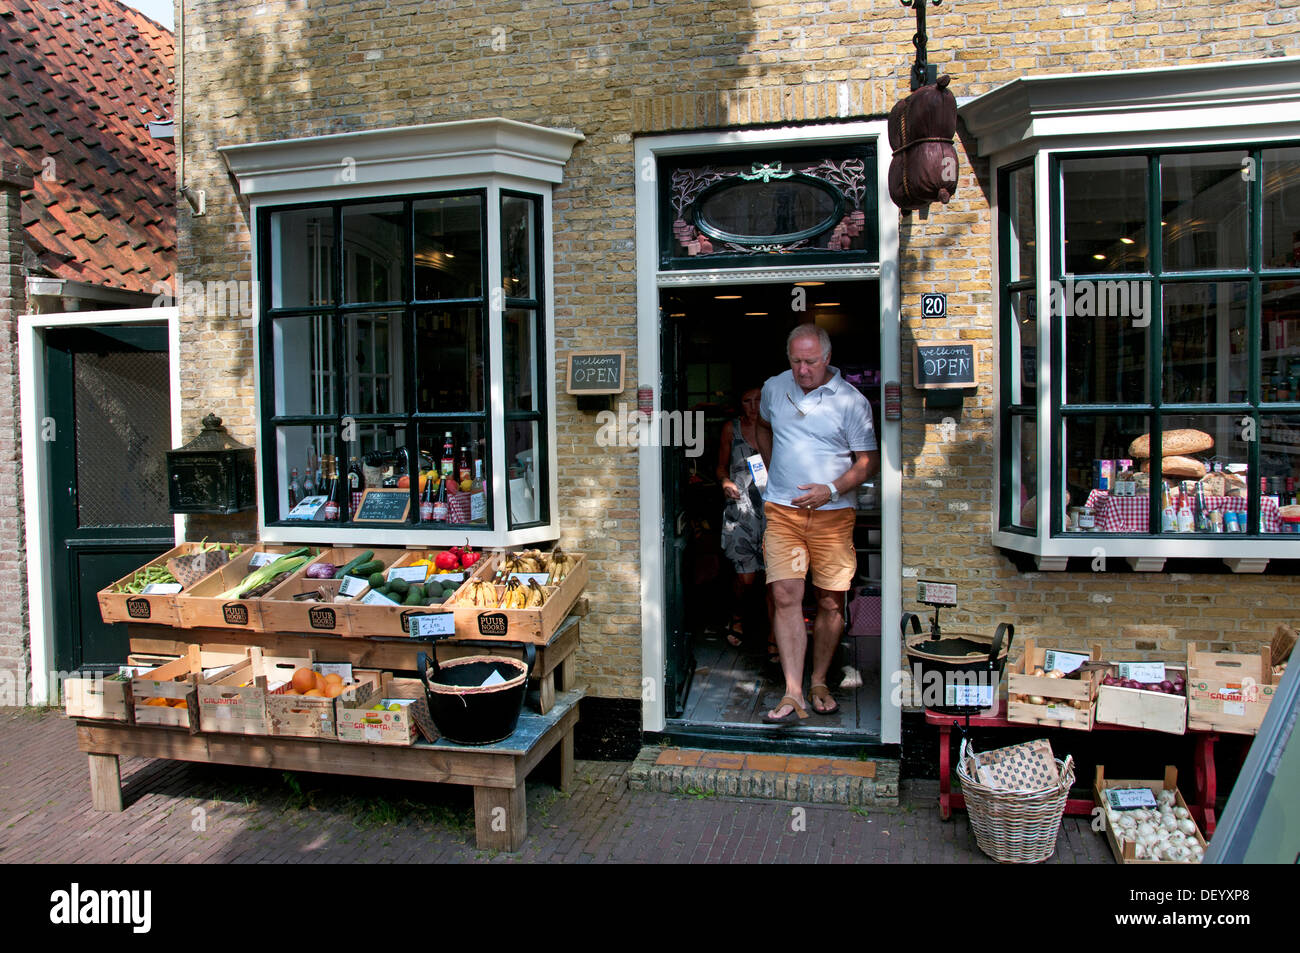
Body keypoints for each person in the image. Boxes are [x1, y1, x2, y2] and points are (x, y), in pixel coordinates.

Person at [755, 324, 879, 722]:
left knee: (830, 600)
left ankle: (819, 680)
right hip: (783, 513)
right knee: (786, 596)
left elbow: (867, 463)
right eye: (795, 361)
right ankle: (792, 691)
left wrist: (830, 488)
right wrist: (774, 470)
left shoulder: (852, 402)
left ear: (827, 358)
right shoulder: (775, 387)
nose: (802, 369)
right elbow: (761, 426)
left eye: (810, 361)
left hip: (833, 516)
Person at [715, 384, 775, 660]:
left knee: (776, 578)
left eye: (758, 400)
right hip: (741, 509)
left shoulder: (777, 427)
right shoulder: (732, 429)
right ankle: (737, 617)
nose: (753, 406)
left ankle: (775, 633)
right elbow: (720, 466)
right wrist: (725, 481)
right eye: (747, 400)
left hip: (773, 510)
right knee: (746, 576)